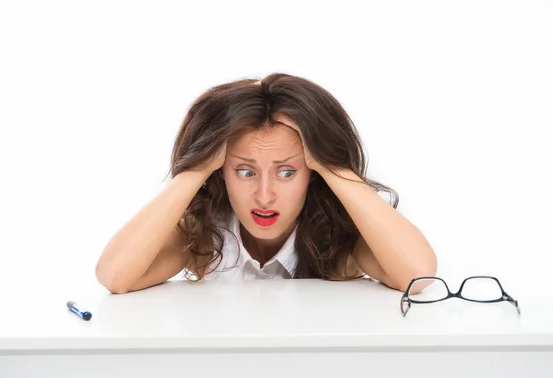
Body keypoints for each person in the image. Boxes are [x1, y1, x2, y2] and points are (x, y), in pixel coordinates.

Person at [95, 73, 437, 295]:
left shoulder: (340, 240)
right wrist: (195, 168)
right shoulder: (202, 238)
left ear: (311, 173)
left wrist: (332, 166)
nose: (264, 196)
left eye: (287, 172)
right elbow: (114, 276)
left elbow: (418, 276)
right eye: (245, 171)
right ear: (220, 172)